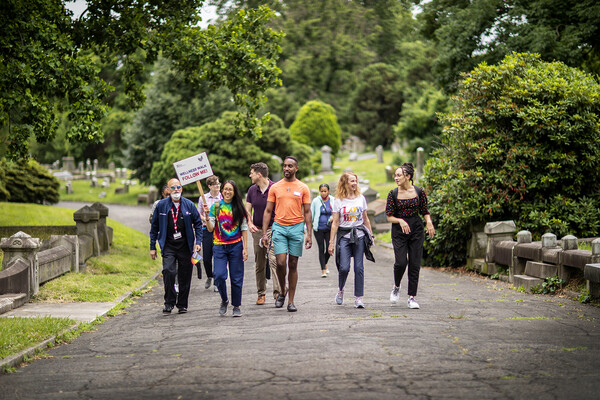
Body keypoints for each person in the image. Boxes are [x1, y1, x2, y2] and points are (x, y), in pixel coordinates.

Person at [262, 156, 312, 312]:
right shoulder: (275, 187)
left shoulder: (303, 187)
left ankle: (291, 301)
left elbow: (307, 211)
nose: (286, 169)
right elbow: (268, 211)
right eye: (284, 166)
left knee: (293, 264)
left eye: (290, 166)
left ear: (296, 168)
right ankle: (282, 291)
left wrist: (309, 234)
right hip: (280, 228)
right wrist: (264, 233)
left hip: (297, 228)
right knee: (281, 262)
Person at [385, 163, 435, 309]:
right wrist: (400, 220)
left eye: (399, 175)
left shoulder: (419, 191)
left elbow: (424, 211)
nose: (396, 178)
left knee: (414, 263)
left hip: (416, 230)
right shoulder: (393, 194)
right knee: (401, 262)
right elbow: (389, 216)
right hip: (399, 231)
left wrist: (429, 222)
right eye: (395, 175)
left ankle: (411, 297)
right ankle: (396, 286)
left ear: (408, 176)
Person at [150, 178, 203, 314]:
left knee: (185, 275)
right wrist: (152, 246)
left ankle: (182, 304)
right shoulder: (161, 205)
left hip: (185, 245)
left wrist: (198, 243)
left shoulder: (189, 205)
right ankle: (169, 302)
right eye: (172, 188)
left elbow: (198, 223)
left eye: (178, 187)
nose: (175, 190)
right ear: (168, 189)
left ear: (182, 188)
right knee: (169, 271)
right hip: (168, 245)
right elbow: (154, 226)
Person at [328, 172, 374, 308]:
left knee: (359, 267)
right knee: (344, 268)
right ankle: (341, 289)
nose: (354, 184)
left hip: (359, 235)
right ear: (345, 183)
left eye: (356, 181)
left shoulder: (361, 198)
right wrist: (331, 242)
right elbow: (335, 223)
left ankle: (358, 298)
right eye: (351, 181)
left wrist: (370, 235)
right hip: (344, 236)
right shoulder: (338, 201)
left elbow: (365, 219)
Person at [204, 180, 249, 317]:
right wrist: (207, 216)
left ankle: (236, 305)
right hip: (219, 246)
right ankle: (224, 300)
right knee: (219, 275)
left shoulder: (239, 208)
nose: (227, 192)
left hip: (236, 245)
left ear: (234, 192)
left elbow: (244, 228)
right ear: (222, 191)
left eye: (230, 189)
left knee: (236, 278)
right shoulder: (216, 207)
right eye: (225, 189)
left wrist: (245, 248)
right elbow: (210, 228)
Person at [245, 162, 280, 305]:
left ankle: (278, 293)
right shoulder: (252, 190)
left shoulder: (275, 188)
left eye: (252, 173)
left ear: (259, 174)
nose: (250, 175)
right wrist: (249, 223)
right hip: (258, 231)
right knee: (259, 263)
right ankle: (261, 294)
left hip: (274, 229)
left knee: (274, 260)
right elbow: (248, 210)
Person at [197, 175, 223, 291]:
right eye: (215, 184)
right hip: (206, 230)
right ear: (209, 186)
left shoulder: (222, 198)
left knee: (218, 256)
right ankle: (209, 275)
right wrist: (206, 219)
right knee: (207, 258)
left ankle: (217, 281)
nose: (218, 186)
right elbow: (199, 213)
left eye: (218, 184)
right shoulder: (203, 198)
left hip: (219, 230)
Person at [311, 183, 334, 278]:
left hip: (329, 229)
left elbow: (337, 212)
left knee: (329, 249)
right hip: (318, 229)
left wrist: (333, 218)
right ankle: (323, 270)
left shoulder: (333, 200)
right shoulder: (316, 201)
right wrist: (306, 227)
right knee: (321, 248)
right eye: (322, 191)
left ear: (328, 191)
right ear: (319, 191)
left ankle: (324, 263)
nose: (323, 193)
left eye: (325, 191)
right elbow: (311, 214)